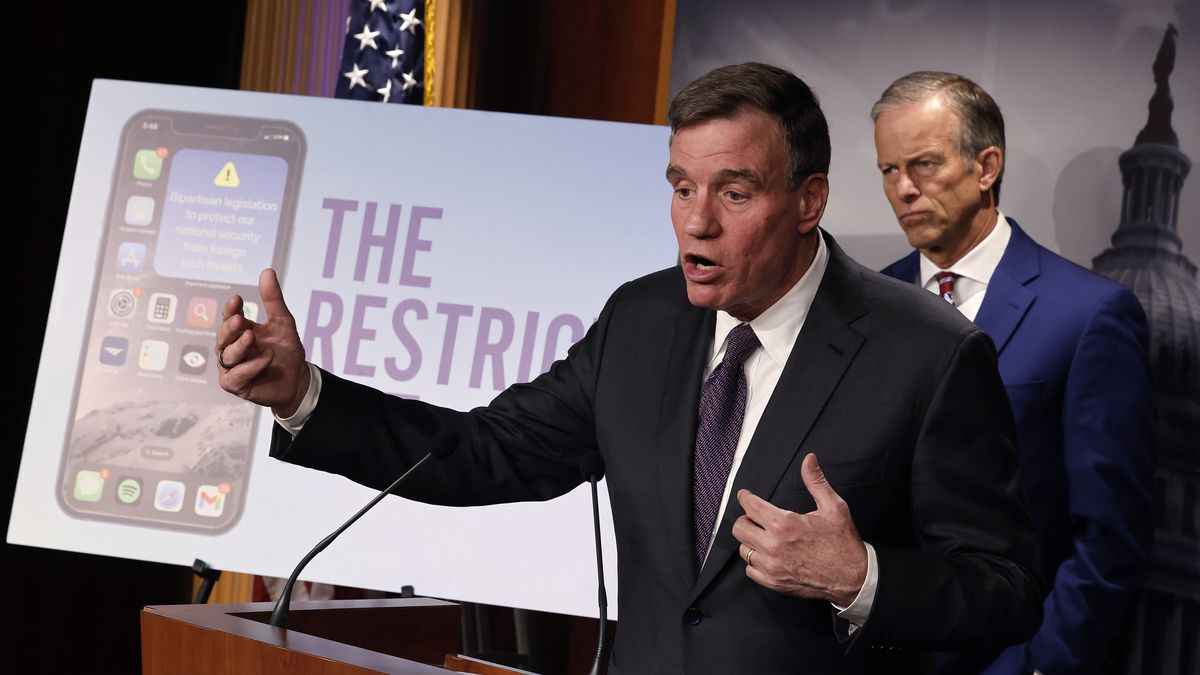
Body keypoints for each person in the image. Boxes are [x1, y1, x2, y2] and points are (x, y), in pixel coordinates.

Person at [217, 62, 1043, 674]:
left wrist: (861, 577)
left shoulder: (927, 354)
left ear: (809, 200)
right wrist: (305, 397)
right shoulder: (644, 321)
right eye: (682, 188)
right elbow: (481, 450)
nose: (697, 224)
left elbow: (1004, 590)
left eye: (734, 192)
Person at [875, 71, 1155, 675]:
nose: (903, 190)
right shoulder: (868, 302)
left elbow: (1110, 533)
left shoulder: (1088, 316)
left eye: (923, 165)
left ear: (986, 166)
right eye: (889, 171)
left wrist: (1038, 667)